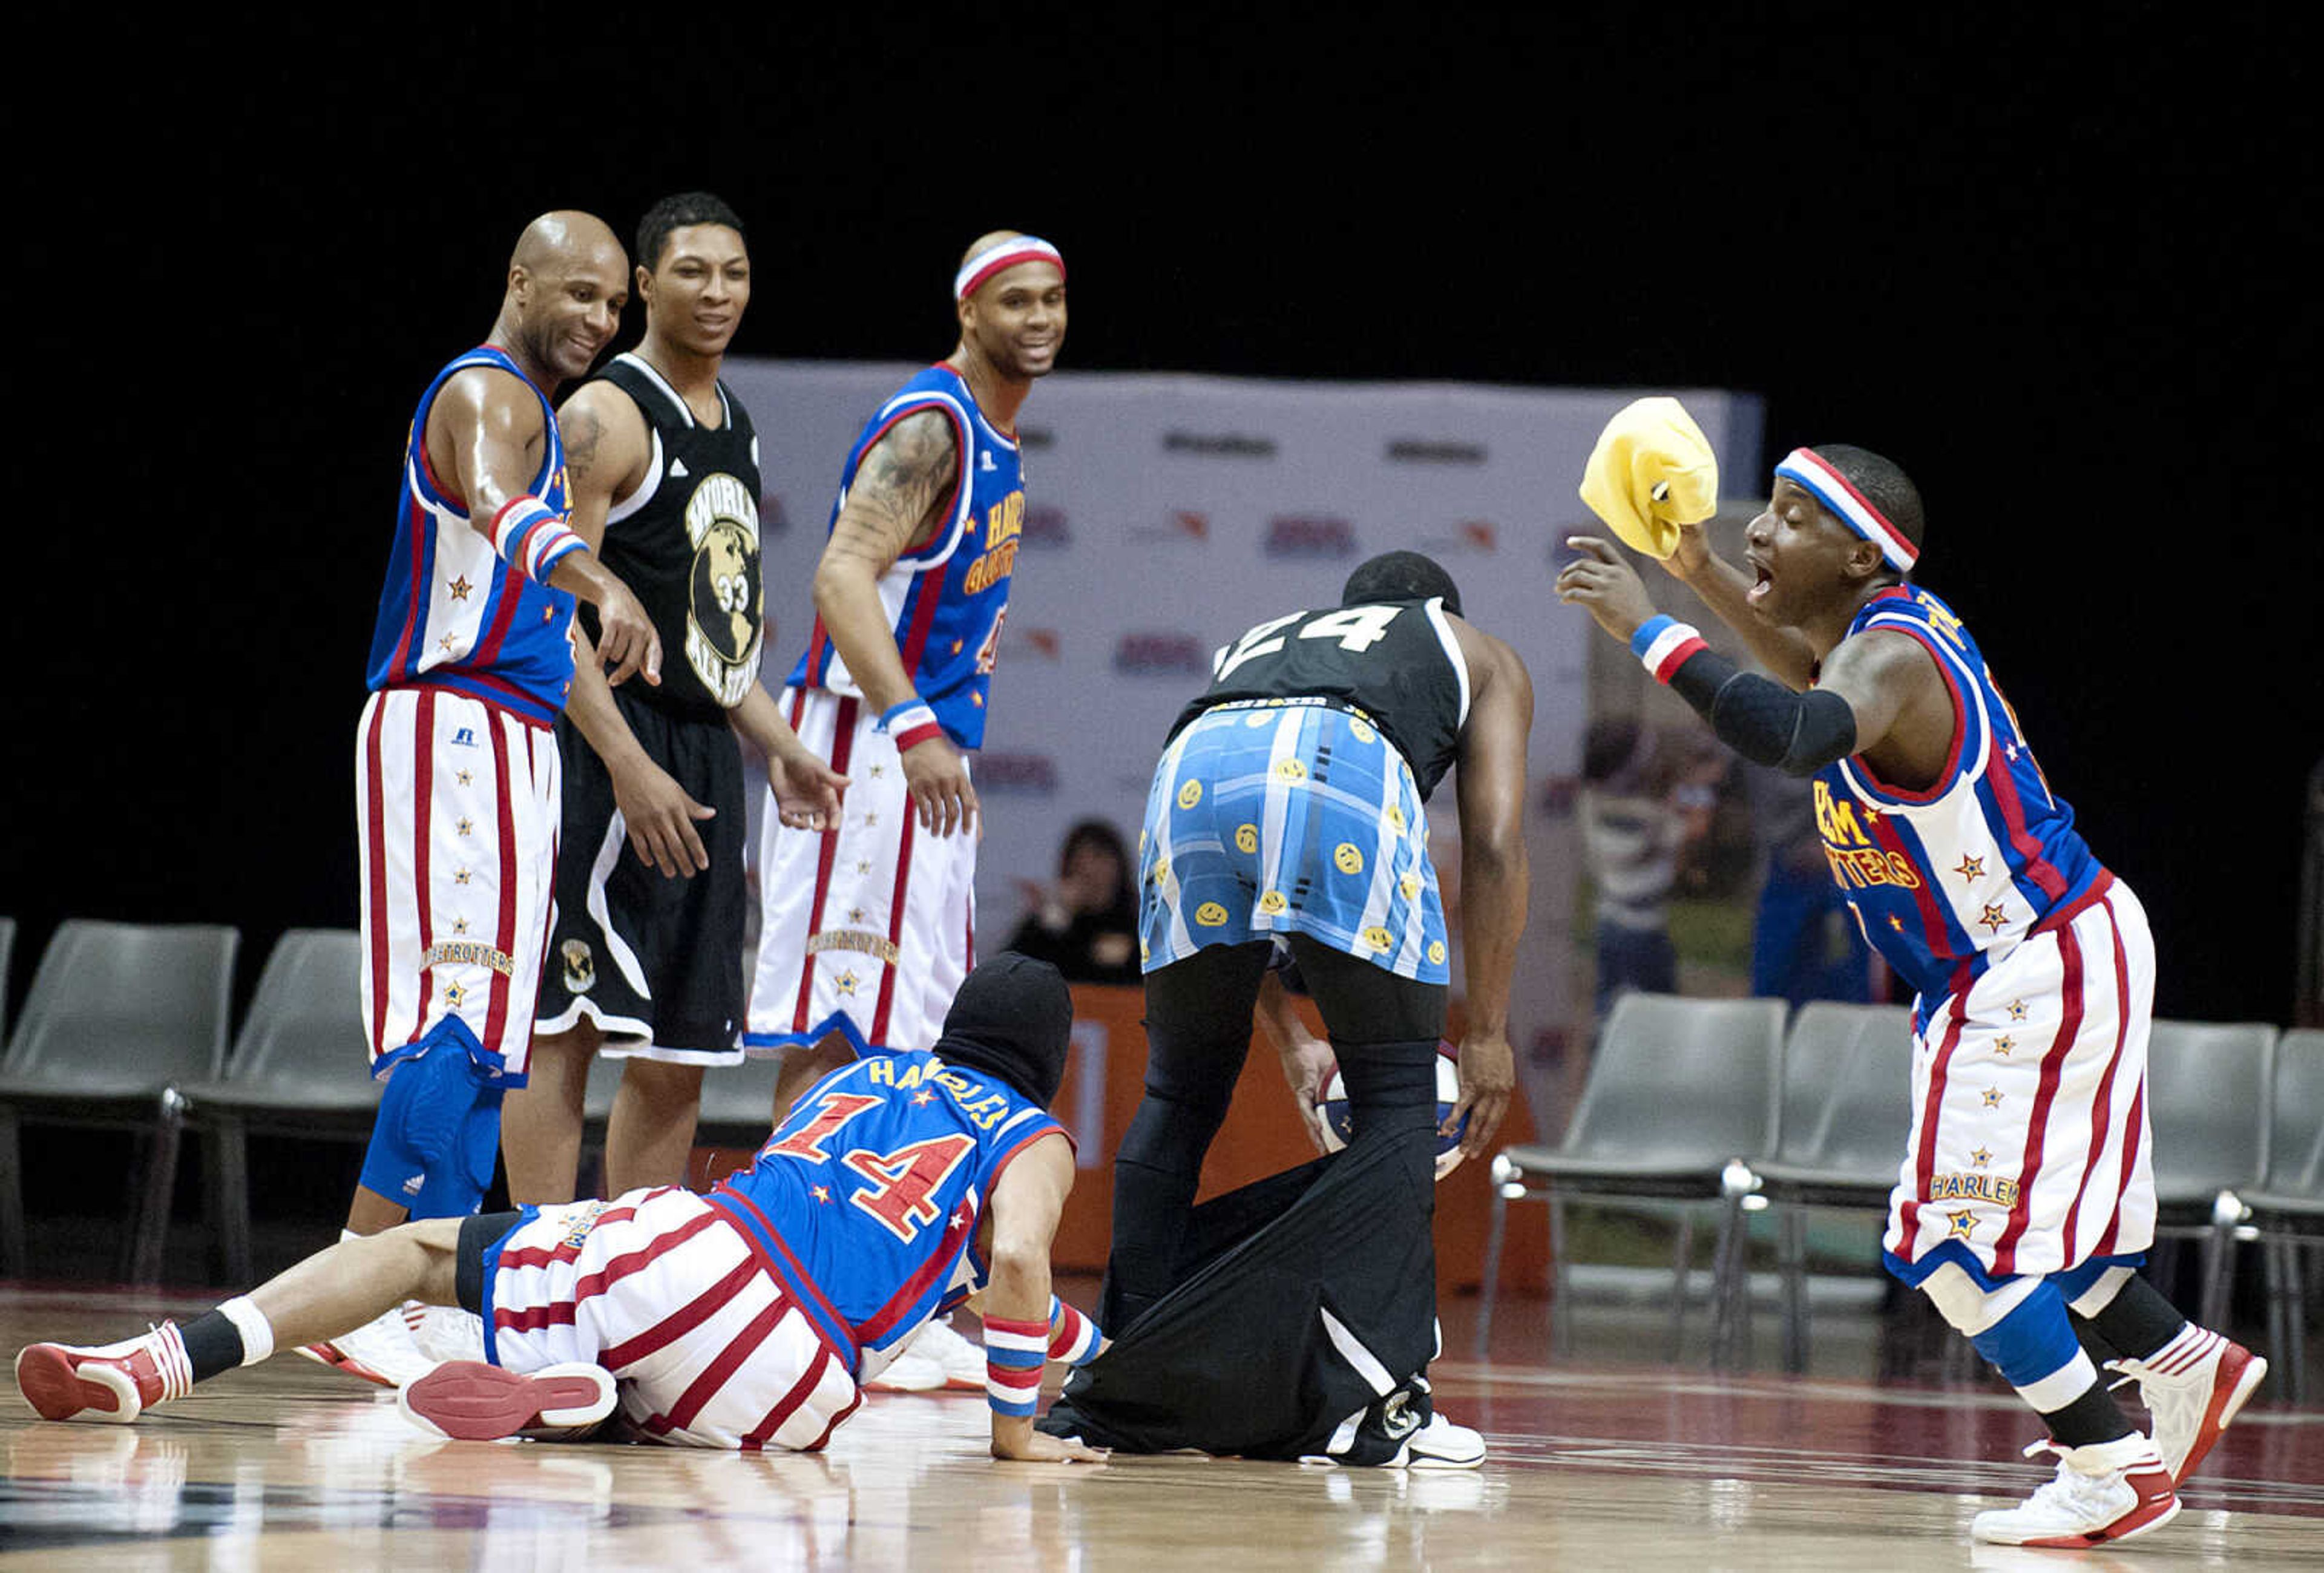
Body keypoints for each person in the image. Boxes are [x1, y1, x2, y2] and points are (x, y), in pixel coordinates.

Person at [1555, 441, 2267, 1548]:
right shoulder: (1867, 648)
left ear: (1857, 553)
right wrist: (1695, 570)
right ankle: (2185, 1369)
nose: (1761, 530)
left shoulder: (1891, 659)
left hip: (2030, 959)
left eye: (1790, 517)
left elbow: (1793, 733)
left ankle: (2109, 1465)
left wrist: (1647, 624)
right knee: (2051, 1240)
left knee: (1953, 1246)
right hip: (2046, 952)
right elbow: (1802, 684)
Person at [15, 957, 1110, 1466]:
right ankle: (591, 1395)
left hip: (714, 1264)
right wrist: (1031, 1422)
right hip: (795, 1396)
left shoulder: (854, 1083)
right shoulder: (1030, 1133)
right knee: (684, 1380)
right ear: (1048, 1065)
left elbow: (967, 1265)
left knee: (420, 1250)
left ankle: (161, 1360)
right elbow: (1011, 1267)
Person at [1060, 550, 1529, 1467]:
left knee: (1177, 1095)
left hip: (1192, 764)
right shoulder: (1476, 651)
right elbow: (1500, 841)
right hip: (1341, 760)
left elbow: (1249, 875)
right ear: (1438, 611)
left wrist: (1289, 1037)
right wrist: (1486, 1031)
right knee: (1399, 1101)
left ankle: (1122, 1371)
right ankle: (1390, 1403)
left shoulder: (1263, 639)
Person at [307, 212, 663, 1389]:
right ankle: (357, 1285)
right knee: (455, 1020)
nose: (600, 321)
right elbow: (503, 506)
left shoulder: (542, 411)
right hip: (446, 717)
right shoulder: (483, 393)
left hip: (512, 734)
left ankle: (410, 1287)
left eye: (614, 305)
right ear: (519, 281)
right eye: (578, 294)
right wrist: (593, 572)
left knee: (496, 1043)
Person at [741, 231, 1067, 1391]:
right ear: (969, 312)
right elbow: (836, 575)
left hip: (914, 747)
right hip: (862, 743)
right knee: (834, 1020)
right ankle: (777, 1277)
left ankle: (883, 1287)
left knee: (910, 1025)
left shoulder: (997, 435)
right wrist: (912, 726)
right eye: (1014, 300)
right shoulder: (932, 424)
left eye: (1053, 298)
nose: (1038, 317)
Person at [505, 193, 846, 1210]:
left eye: (734, 272)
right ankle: (541, 1260)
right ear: (646, 286)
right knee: (567, 1018)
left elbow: (716, 632)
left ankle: (626, 1277)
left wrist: (777, 740)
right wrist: (625, 761)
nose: (718, 292)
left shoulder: (734, 421)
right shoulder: (605, 414)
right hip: (605, 748)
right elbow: (547, 618)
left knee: (682, 1041)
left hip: (699, 755)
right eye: (693, 271)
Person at [1576, 718, 1719, 1022]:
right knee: (1656, 1017)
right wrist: (1699, 794)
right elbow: (1692, 830)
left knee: (1611, 1008)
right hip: (1638, 931)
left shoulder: (1596, 802)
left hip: (1612, 923)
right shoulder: (1640, 817)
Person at [1004, 819, 1140, 985]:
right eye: (1080, 862)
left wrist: (1128, 955)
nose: (1089, 870)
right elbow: (1011, 975)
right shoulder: (1051, 921)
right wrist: (1057, 917)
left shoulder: (1138, 926)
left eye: (1099, 859)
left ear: (1119, 868)